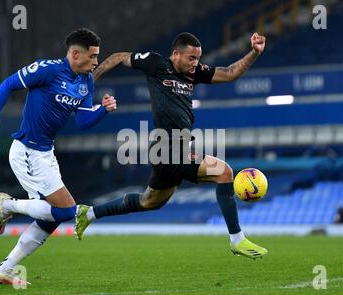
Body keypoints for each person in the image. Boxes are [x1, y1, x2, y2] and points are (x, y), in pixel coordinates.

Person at [74, 32, 268, 259]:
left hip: (171, 150)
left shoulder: (193, 74)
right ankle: (237, 239)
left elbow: (229, 73)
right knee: (224, 172)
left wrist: (254, 52)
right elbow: (118, 57)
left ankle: (89, 213)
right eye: (191, 58)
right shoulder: (156, 64)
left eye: (198, 58)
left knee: (150, 202)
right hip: (168, 148)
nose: (196, 64)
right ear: (176, 54)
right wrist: (89, 82)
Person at [0, 28, 117, 285]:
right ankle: (6, 206)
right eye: (93, 56)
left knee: (52, 219)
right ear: (75, 54)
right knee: (66, 212)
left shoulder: (86, 81)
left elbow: (83, 122)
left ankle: (5, 268)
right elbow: (9, 84)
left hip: (46, 153)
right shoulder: (47, 70)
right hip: (27, 151)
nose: (96, 62)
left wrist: (103, 111)